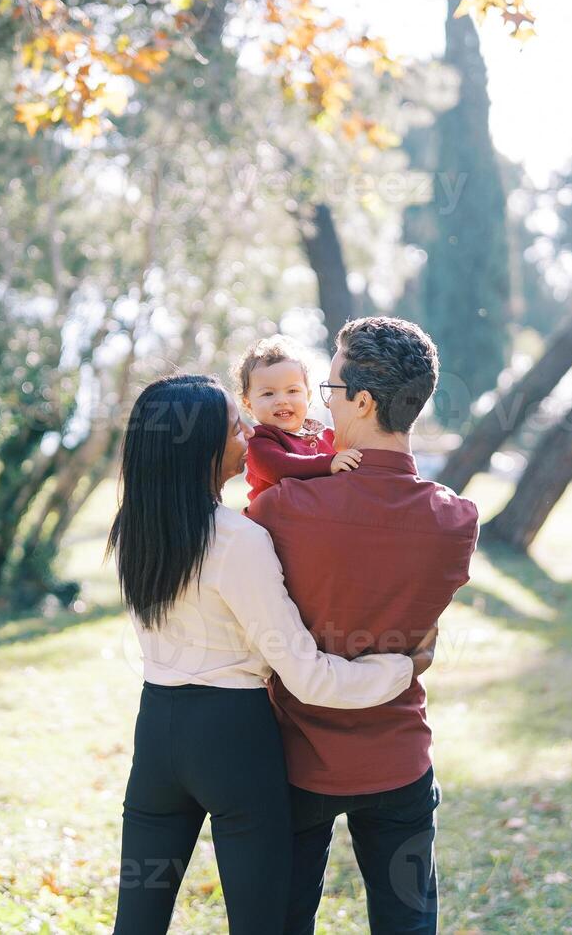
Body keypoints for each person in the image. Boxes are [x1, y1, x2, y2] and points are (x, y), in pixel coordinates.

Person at [107, 372, 439, 935]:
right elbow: (308, 676)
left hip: (157, 732)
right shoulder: (237, 540)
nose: (252, 435)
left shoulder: (134, 532)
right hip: (233, 739)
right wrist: (402, 666)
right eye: (238, 428)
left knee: (136, 922)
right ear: (205, 449)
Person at [245, 316, 480, 935]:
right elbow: (416, 630)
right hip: (398, 755)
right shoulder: (456, 522)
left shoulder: (279, 508)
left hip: (295, 759)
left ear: (363, 400)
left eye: (327, 389)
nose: (316, 404)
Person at [233, 334, 363, 501]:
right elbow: (281, 467)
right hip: (275, 521)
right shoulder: (259, 440)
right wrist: (329, 463)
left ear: (308, 396)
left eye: (292, 391)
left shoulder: (328, 436)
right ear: (248, 403)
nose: (281, 400)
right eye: (268, 393)